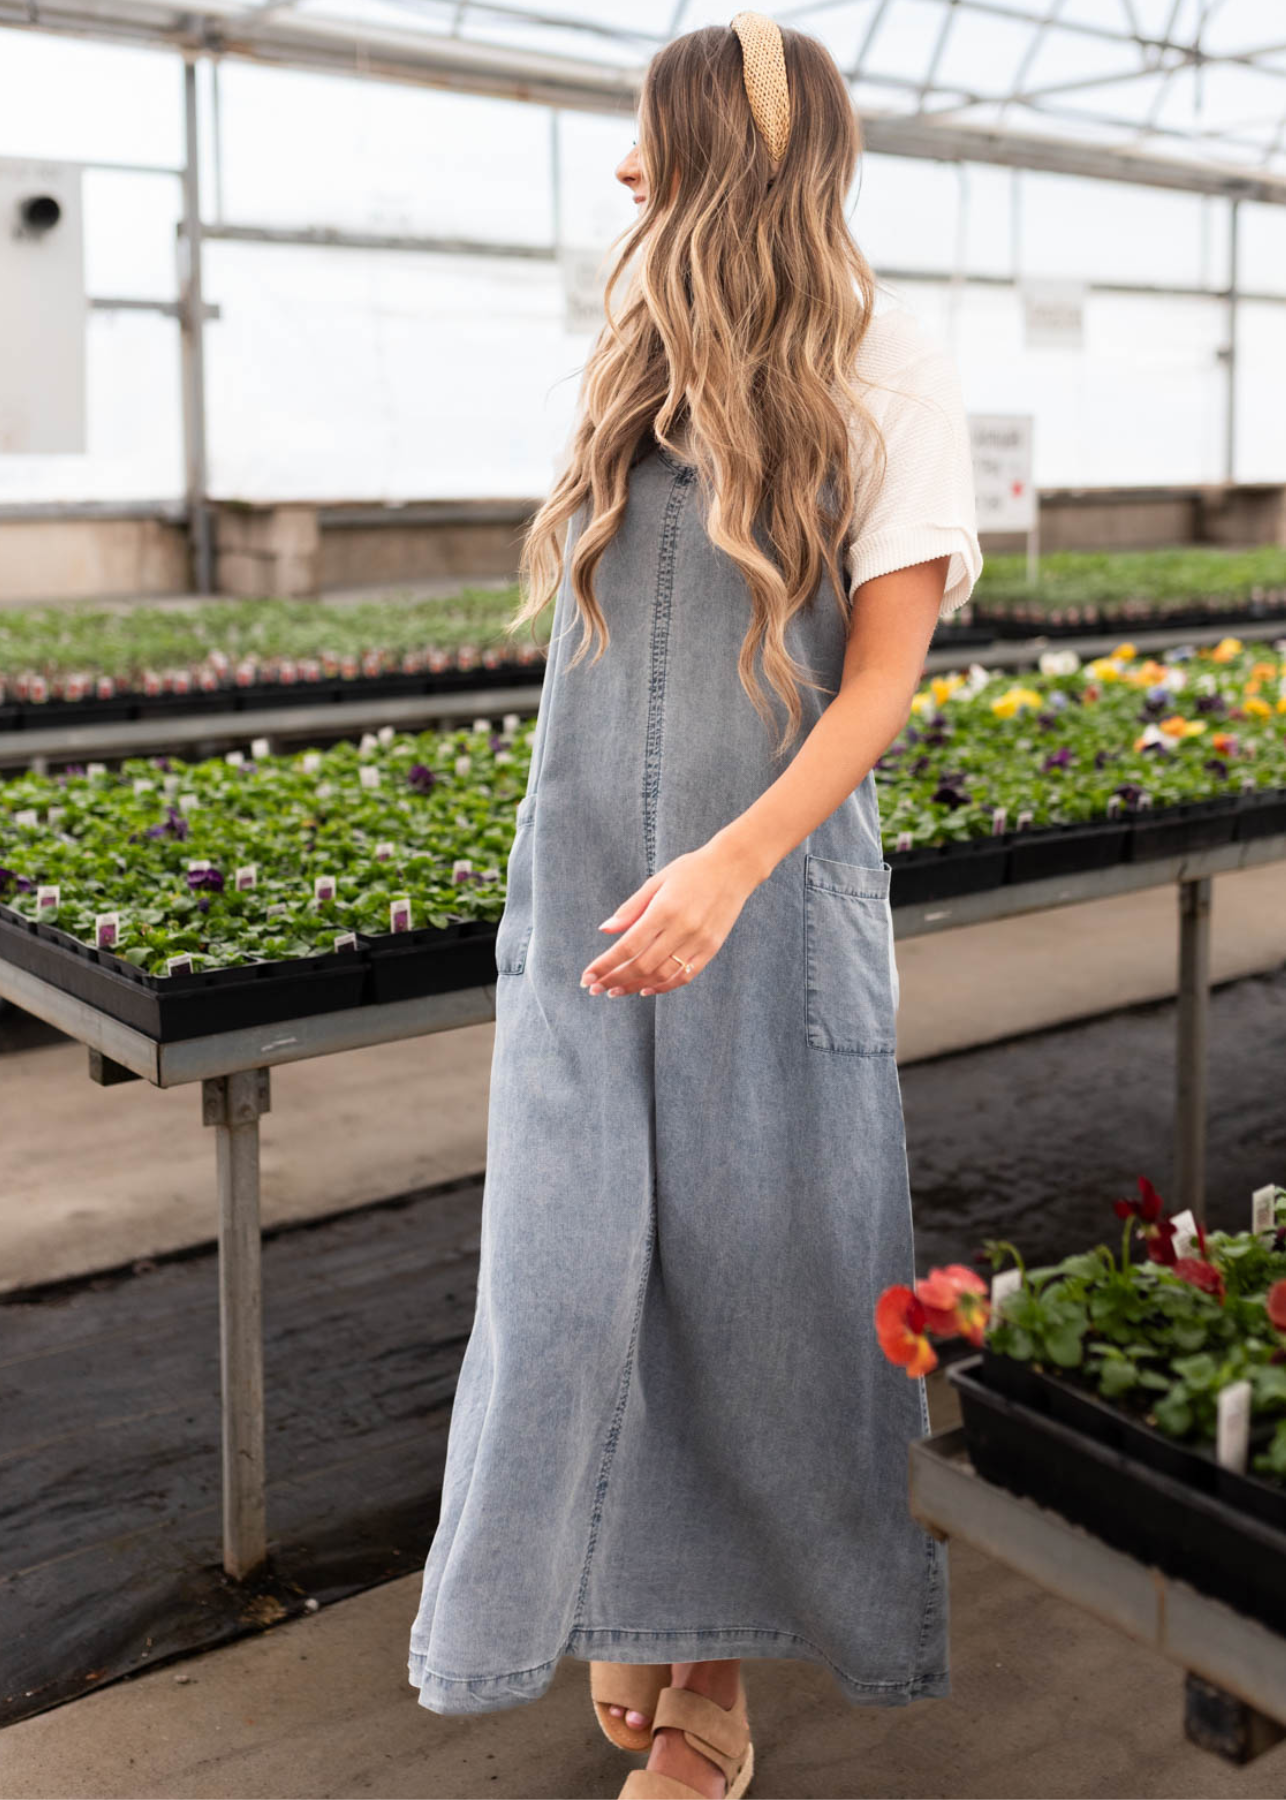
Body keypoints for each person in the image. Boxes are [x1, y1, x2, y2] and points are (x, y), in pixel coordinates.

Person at [407, 14, 982, 1799]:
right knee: (570, 1282)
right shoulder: (634, 350)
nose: (623, 166)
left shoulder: (887, 364)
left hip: (768, 903)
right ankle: (615, 1609)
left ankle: (703, 1659)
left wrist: (730, 865)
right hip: (585, 905)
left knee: (751, 1285)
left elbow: (881, 681)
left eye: (648, 135)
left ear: (727, 157)